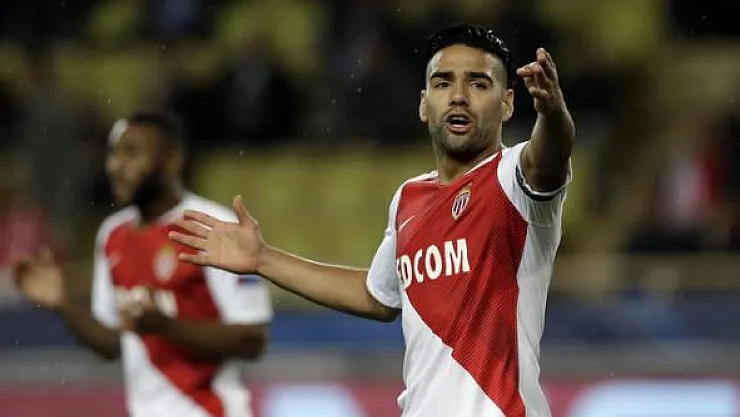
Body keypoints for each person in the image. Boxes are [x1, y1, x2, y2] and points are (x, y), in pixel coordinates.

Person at [171, 24, 575, 417]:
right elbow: (376, 297)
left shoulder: (513, 180)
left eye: (478, 84)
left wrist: (553, 112)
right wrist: (263, 259)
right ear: (424, 104)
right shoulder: (408, 199)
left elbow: (549, 156)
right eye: (443, 83)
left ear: (507, 103)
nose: (458, 96)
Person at [13, 110, 273, 417]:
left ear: (172, 159)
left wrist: (166, 326)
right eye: (113, 153)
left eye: (132, 153)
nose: (115, 165)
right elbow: (113, 344)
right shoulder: (112, 235)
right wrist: (64, 304)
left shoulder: (211, 226)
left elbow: (252, 340)